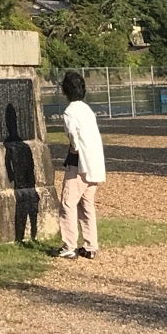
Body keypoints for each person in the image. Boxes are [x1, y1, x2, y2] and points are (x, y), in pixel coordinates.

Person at [53, 69, 105, 259]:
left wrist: (73, 152)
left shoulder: (70, 112)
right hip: (95, 163)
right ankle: (90, 246)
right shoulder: (87, 110)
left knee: (68, 203)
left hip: (79, 164)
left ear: (65, 90)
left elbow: (74, 140)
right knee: (86, 205)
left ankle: (69, 246)